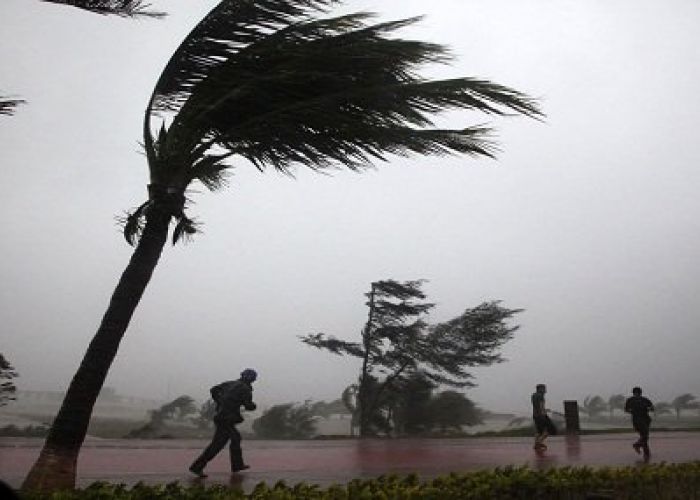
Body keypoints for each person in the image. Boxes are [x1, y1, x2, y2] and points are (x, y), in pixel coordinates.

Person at [189, 368, 258, 477]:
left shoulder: (230, 383)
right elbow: (248, 405)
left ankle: (236, 465)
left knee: (228, 441)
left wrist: (220, 401)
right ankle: (198, 467)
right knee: (225, 442)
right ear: (252, 379)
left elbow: (213, 390)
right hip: (226, 419)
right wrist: (254, 406)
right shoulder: (245, 389)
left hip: (221, 417)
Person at [624, 386, 654, 458]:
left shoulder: (630, 400)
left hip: (638, 420)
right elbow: (652, 408)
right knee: (645, 436)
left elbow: (626, 410)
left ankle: (646, 453)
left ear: (634, 393)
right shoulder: (644, 399)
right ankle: (638, 445)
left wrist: (633, 411)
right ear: (640, 392)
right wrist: (647, 409)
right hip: (644, 420)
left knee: (644, 436)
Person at [532, 383, 556, 450]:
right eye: (544, 388)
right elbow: (541, 406)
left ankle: (536, 443)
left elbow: (536, 406)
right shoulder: (541, 396)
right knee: (551, 429)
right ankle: (539, 443)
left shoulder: (533, 395)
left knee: (539, 431)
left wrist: (545, 409)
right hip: (541, 415)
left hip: (535, 415)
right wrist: (543, 413)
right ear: (540, 389)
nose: (545, 390)